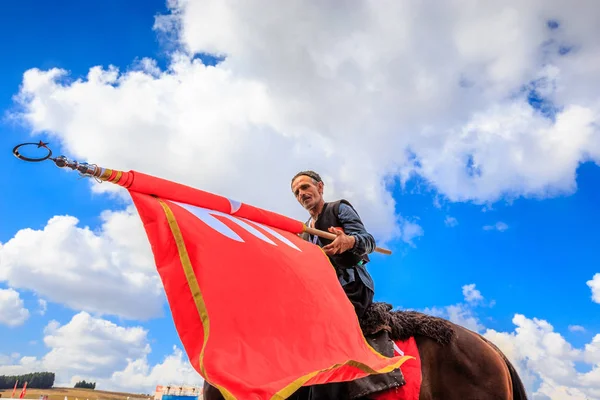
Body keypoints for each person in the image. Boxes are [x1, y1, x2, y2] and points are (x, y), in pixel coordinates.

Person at [290, 170, 405, 400]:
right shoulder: (303, 232)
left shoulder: (338, 208)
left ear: (320, 187)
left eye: (305, 187)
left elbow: (368, 240)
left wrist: (349, 241)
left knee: (327, 335)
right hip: (324, 293)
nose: (301, 194)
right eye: (296, 192)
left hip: (352, 287)